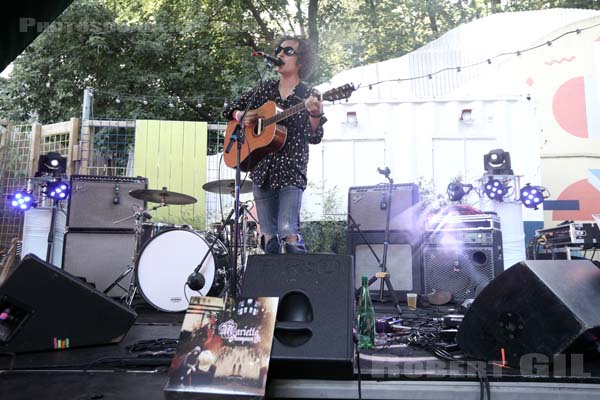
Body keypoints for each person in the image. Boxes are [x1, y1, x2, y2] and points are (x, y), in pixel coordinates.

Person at [223, 36, 326, 254]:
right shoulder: (264, 90)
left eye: (288, 51)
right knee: (268, 237)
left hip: (291, 171)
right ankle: (272, 287)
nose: (279, 54)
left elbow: (314, 137)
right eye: (278, 50)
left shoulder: (307, 94)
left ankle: (299, 283)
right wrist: (240, 115)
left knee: (288, 231)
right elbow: (229, 108)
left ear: (301, 61)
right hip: (262, 170)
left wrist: (315, 115)